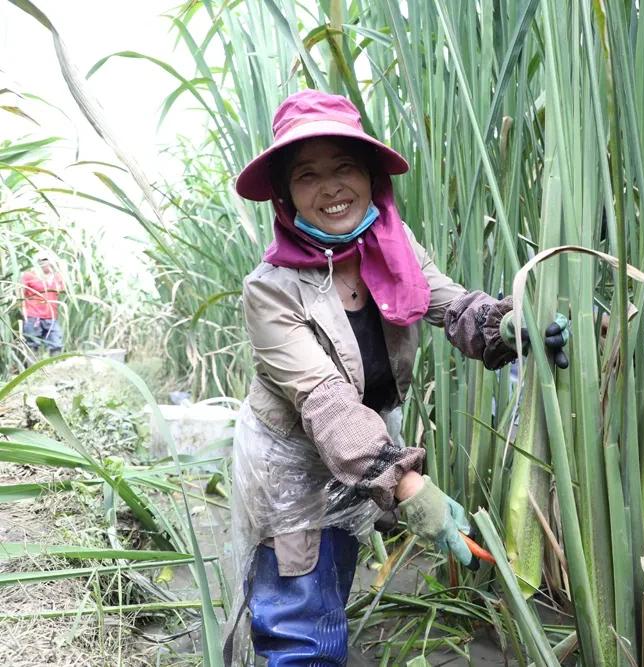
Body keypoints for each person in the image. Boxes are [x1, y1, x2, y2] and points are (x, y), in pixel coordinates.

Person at [225, 90, 570, 666]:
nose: (331, 187)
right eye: (308, 175)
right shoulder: (270, 289)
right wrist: (408, 486)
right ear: (286, 195)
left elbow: (452, 305)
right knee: (299, 616)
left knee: (329, 582)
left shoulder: (394, 245)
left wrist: (510, 323)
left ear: (370, 177)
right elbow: (325, 402)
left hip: (364, 448)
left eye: (344, 167)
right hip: (293, 463)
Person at [21, 252, 65, 355]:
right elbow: (20, 294)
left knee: (56, 344)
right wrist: (24, 313)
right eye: (43, 261)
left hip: (51, 316)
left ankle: (55, 369)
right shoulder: (29, 275)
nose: (47, 263)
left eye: (48, 261)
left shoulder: (57, 277)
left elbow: (62, 290)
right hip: (33, 316)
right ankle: (32, 370)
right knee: (32, 345)